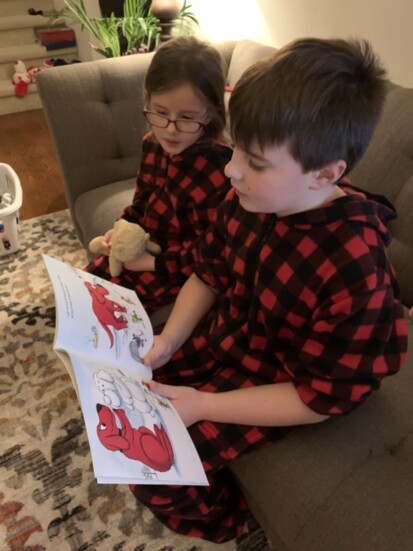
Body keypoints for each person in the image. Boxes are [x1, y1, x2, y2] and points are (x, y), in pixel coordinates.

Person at [129, 37, 408, 543]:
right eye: (236, 148)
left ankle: (236, 524)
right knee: (129, 389)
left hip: (286, 381)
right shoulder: (249, 199)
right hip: (231, 340)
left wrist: (204, 405)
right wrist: (167, 341)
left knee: (155, 473)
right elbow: (208, 271)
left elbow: (321, 396)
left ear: (326, 173)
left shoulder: (353, 268)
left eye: (255, 161)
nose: (231, 168)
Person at [86, 36, 231, 313]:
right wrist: (121, 227)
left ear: (211, 113)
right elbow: (141, 203)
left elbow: (211, 252)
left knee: (108, 311)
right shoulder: (152, 144)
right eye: (160, 112)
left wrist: (153, 264)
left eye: (187, 117)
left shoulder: (219, 169)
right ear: (148, 101)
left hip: (174, 268)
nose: (170, 129)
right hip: (141, 248)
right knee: (86, 283)